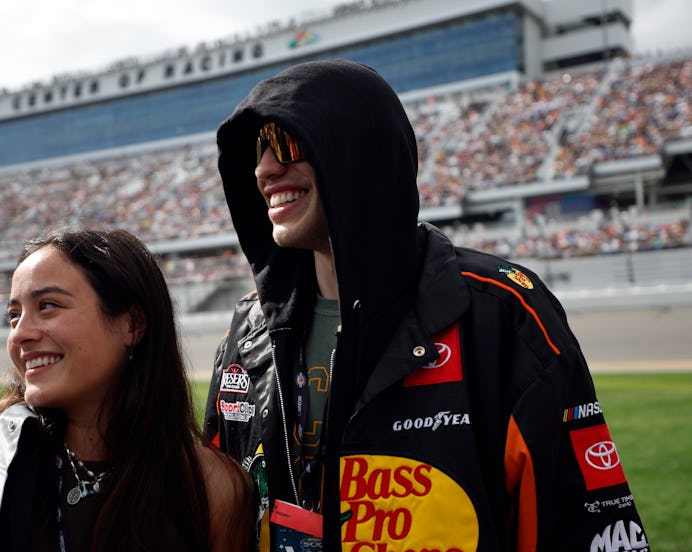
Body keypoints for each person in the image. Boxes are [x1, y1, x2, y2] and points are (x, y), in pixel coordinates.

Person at [204, 59, 649, 551]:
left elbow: (585, 529)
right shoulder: (247, 331)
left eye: (286, 143)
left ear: (360, 153)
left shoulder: (502, 312)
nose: (265, 168)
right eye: (259, 149)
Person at [0, 228, 253, 552]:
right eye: (14, 315)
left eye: (48, 305)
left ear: (132, 325)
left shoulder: (211, 487)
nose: (20, 334)